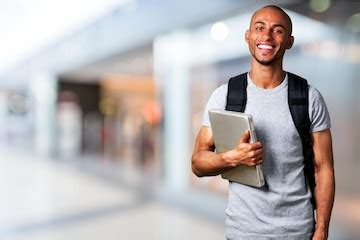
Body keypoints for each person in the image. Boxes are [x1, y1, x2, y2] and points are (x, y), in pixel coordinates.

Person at [191, 5, 335, 240]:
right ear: (248, 36)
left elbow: (323, 168)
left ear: (289, 41)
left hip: (298, 231)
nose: (267, 36)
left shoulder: (308, 98)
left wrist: (321, 230)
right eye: (260, 28)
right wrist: (232, 157)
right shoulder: (225, 96)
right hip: (242, 232)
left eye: (277, 30)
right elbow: (197, 163)